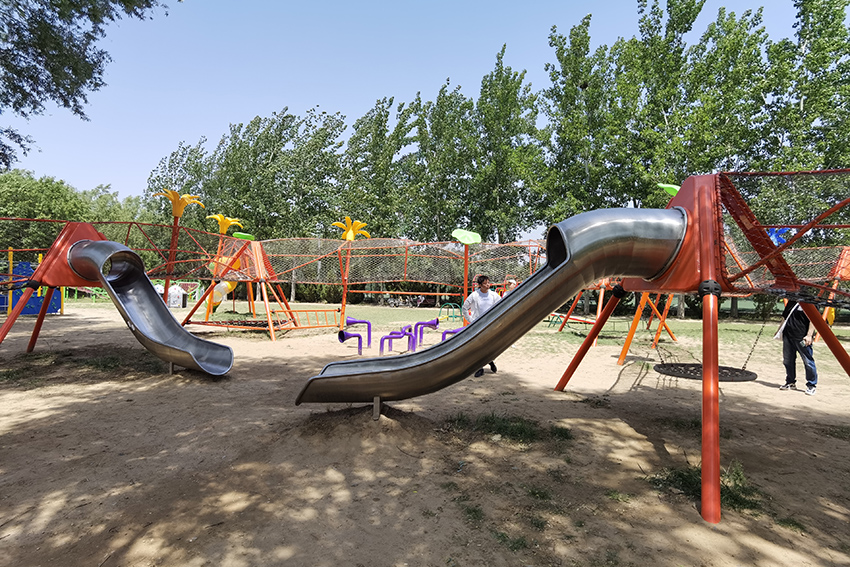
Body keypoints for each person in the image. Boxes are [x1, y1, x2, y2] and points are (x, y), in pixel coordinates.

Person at [462, 275, 501, 377]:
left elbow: (501, 306)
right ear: (479, 285)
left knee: (488, 346)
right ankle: (480, 368)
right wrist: (471, 321)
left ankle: (490, 361)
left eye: (488, 282)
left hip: (490, 324)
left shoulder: (494, 295)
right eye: (485, 283)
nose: (487, 285)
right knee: (478, 346)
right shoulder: (474, 295)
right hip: (478, 325)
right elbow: (464, 308)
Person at [778, 300, 818, 395]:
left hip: (802, 338)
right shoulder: (792, 301)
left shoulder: (810, 302)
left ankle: (811, 385)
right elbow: (785, 317)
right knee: (787, 360)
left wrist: (809, 335)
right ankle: (790, 382)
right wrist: (779, 330)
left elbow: (813, 320)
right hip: (788, 336)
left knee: (808, 361)